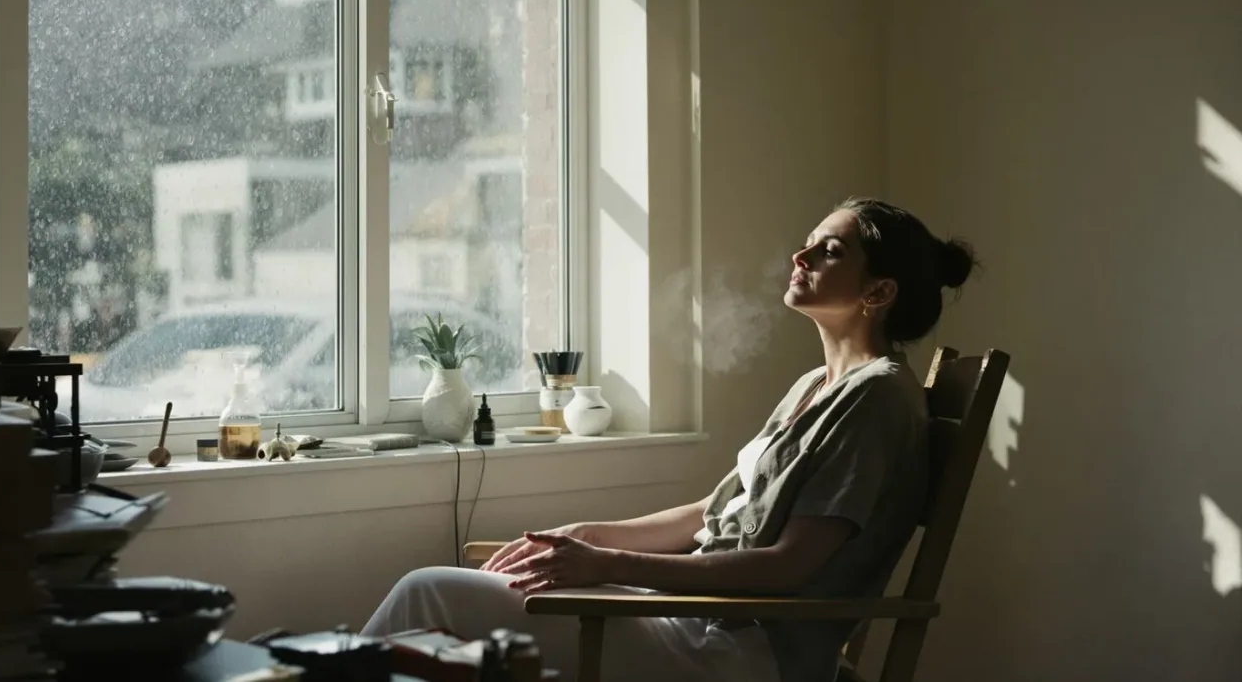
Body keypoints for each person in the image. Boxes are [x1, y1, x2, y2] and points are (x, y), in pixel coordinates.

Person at [362, 198, 978, 682]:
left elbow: (789, 565)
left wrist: (606, 565)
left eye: (830, 250)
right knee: (437, 627)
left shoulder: (877, 399)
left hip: (736, 653)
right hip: (692, 615)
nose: (802, 255)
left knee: (426, 595)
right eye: (809, 243)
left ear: (880, 291)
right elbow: (711, 515)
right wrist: (590, 535)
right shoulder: (815, 384)